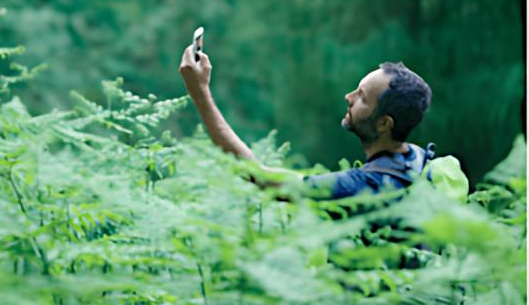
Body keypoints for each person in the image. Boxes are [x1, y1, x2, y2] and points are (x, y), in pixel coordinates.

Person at [178, 46, 433, 199]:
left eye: (362, 97)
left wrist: (199, 92)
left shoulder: (363, 187)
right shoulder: (420, 162)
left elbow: (259, 177)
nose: (349, 97)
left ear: (384, 124)